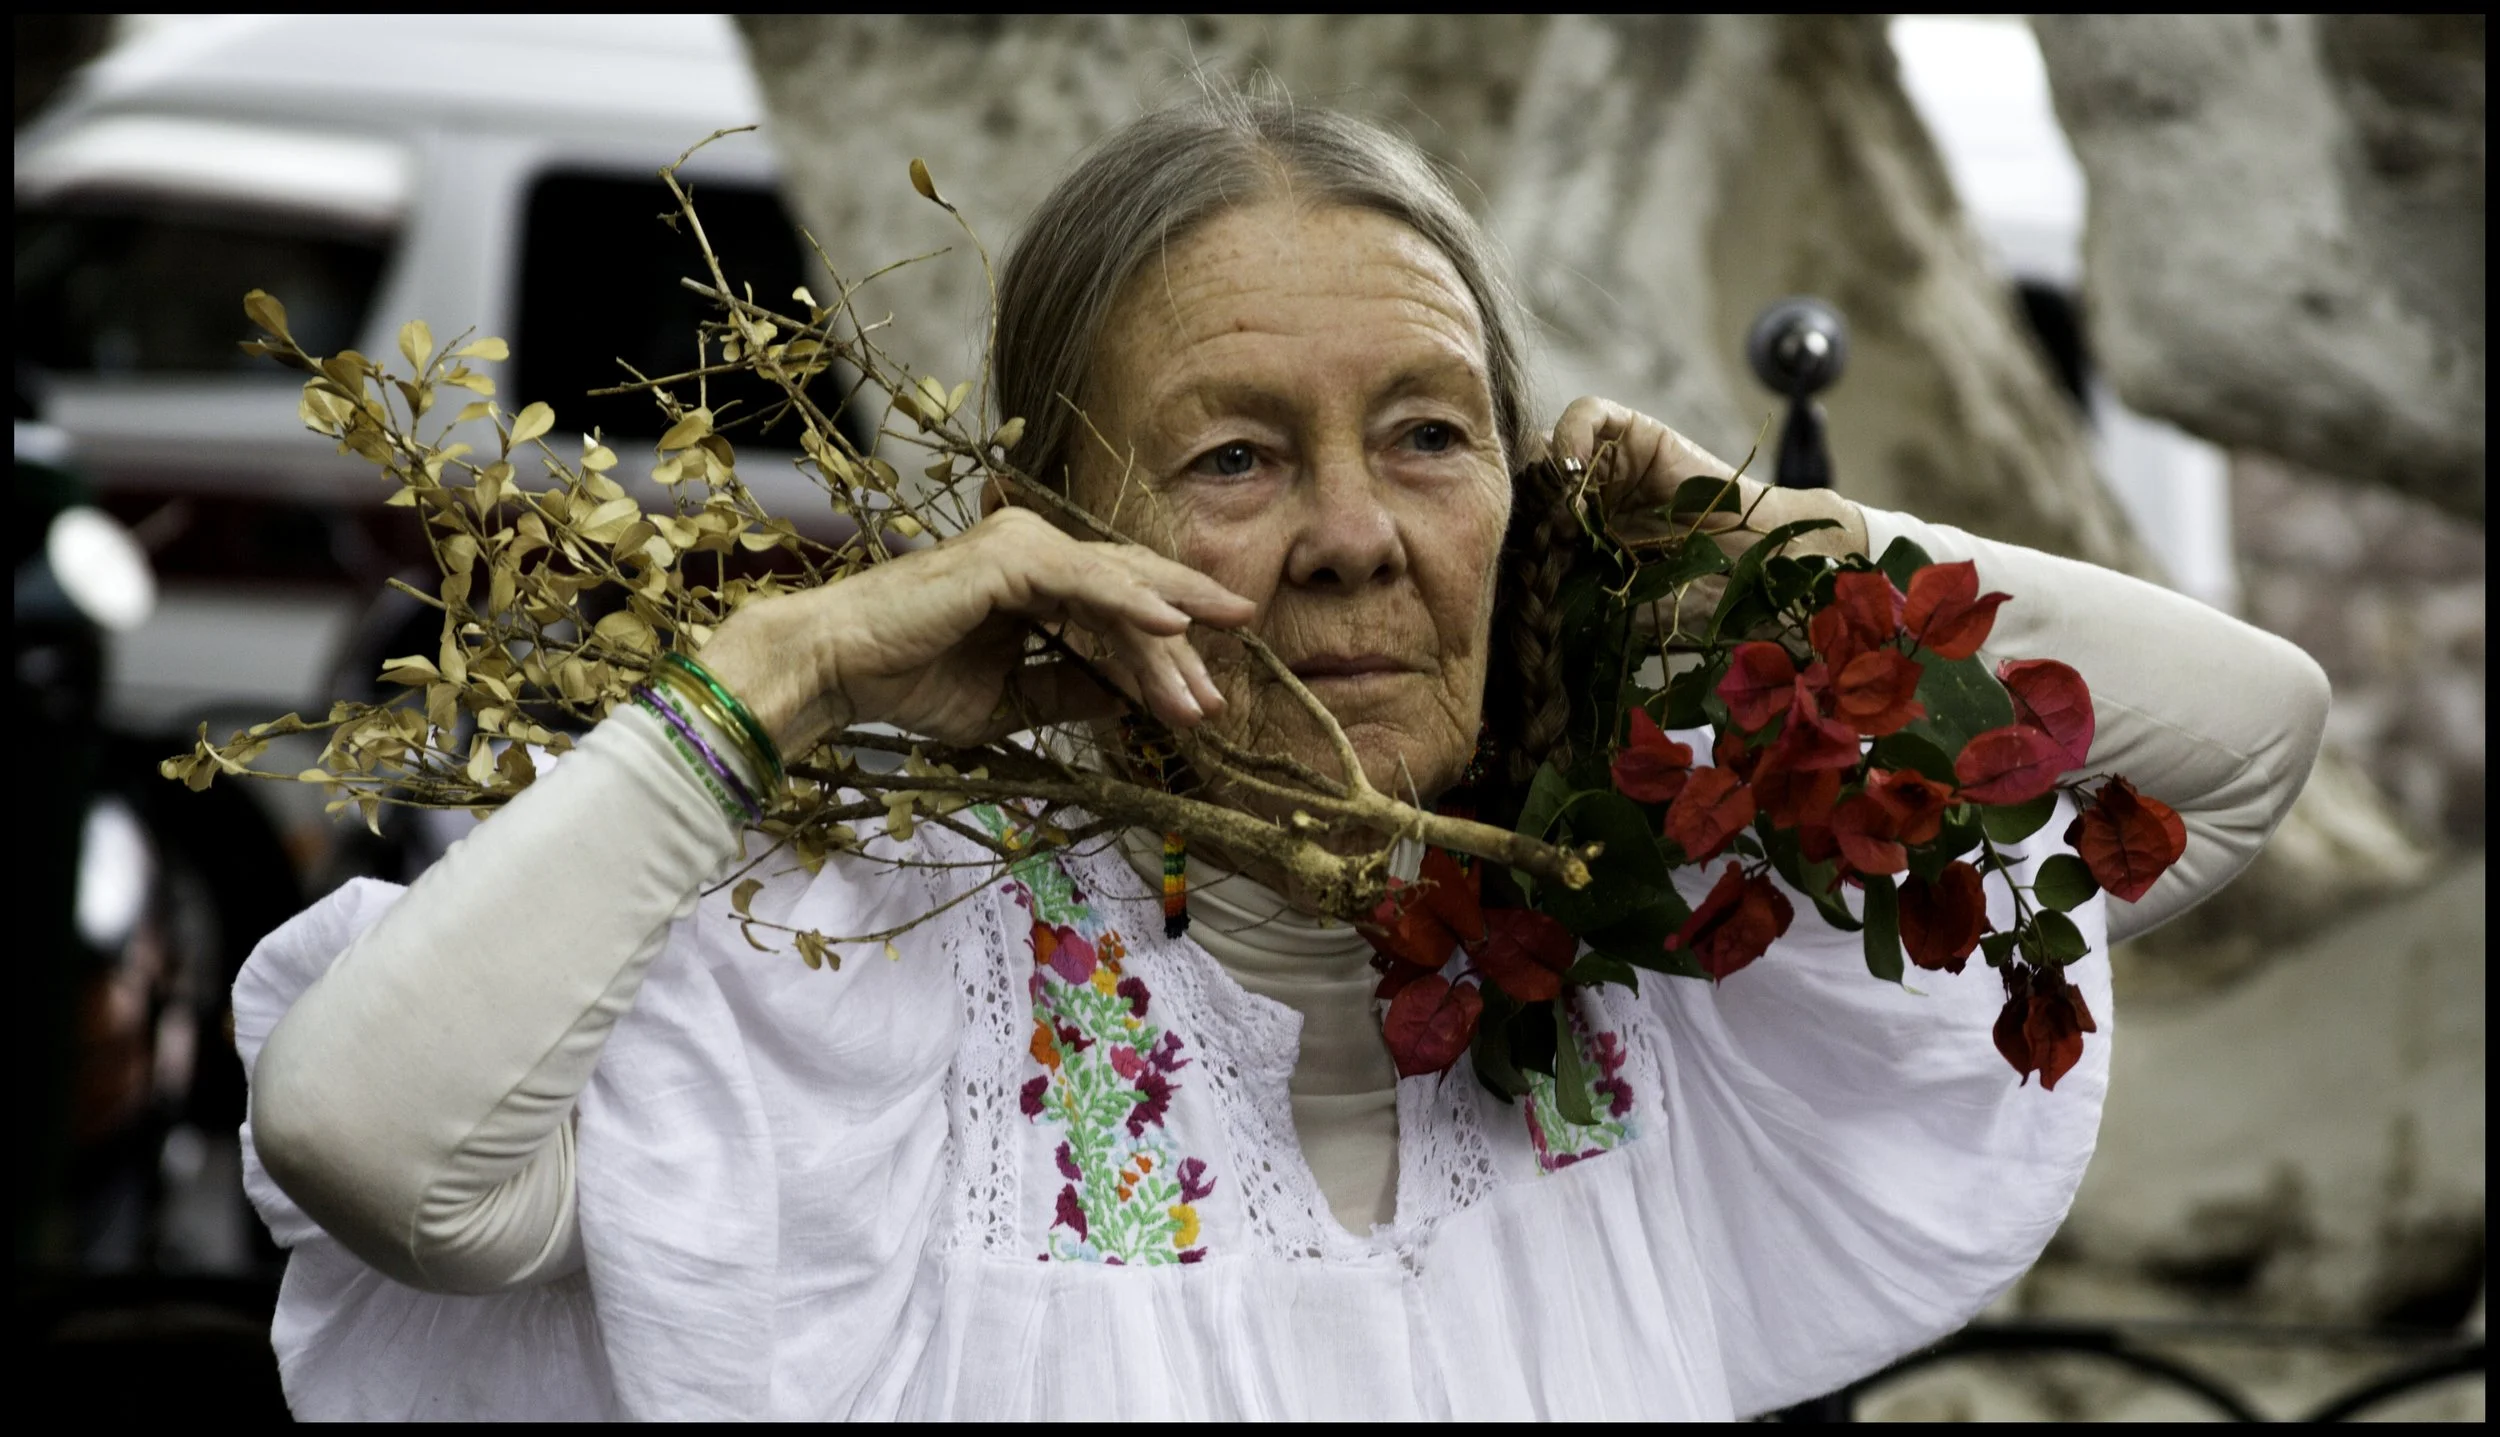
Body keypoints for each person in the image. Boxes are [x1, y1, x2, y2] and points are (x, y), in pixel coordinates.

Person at [237, 96, 2329, 1420]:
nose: (1351, 530)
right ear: (1056, 520)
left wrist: (1755, 550)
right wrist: (781, 671)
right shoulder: (874, 974)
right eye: (1234, 455)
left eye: (1424, 433)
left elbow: (2238, 736)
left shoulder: (1650, 920)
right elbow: (376, 1143)